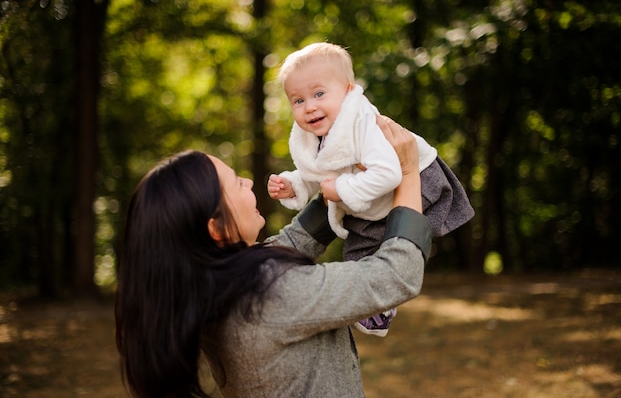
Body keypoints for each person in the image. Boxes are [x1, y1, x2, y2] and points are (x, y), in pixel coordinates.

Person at [115, 115, 431, 398]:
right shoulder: (271, 294)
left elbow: (293, 241)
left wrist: (341, 186)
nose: (249, 182)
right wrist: (407, 172)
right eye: (237, 184)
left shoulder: (211, 287)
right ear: (215, 228)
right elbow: (395, 275)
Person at [268, 42, 474, 336]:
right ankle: (377, 311)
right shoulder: (318, 135)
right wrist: (293, 184)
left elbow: (390, 173)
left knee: (390, 247)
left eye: (318, 94)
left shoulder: (363, 123)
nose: (309, 106)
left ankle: (383, 303)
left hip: (417, 175)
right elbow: (318, 174)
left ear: (348, 90)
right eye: (297, 100)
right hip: (371, 193)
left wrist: (340, 188)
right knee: (357, 257)